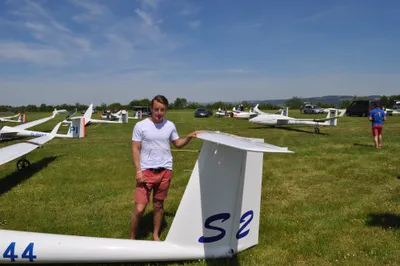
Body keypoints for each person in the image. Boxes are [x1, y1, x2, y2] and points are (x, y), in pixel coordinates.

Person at [130, 95, 201, 241]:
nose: (159, 113)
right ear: (151, 109)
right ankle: (132, 238)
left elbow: (177, 143)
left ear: (166, 110)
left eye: (162, 110)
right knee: (140, 208)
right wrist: (138, 171)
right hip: (146, 171)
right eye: (156, 109)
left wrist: (189, 137)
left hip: (165, 171)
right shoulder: (140, 126)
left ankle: (156, 235)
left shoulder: (170, 125)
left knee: (158, 205)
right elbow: (135, 149)